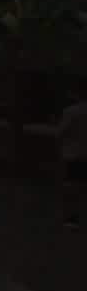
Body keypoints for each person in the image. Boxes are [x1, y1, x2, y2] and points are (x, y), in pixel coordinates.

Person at [58, 78, 87, 230]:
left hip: (72, 153)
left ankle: (71, 216)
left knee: (69, 186)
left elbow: (62, 132)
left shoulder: (70, 111)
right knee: (82, 186)